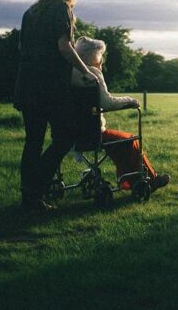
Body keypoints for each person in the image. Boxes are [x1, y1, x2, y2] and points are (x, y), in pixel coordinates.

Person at [14, 0, 98, 213]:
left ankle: (29, 198)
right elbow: (64, 46)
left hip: (27, 85)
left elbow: (22, 48)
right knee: (64, 139)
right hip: (50, 87)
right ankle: (35, 188)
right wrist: (86, 71)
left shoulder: (32, 11)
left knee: (33, 142)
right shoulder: (62, 8)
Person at [71, 36, 170, 193]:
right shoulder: (92, 73)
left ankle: (132, 179)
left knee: (120, 141)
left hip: (71, 133)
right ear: (94, 56)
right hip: (92, 133)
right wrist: (131, 101)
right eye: (101, 55)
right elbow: (107, 103)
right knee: (130, 140)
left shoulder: (71, 73)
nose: (102, 59)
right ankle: (148, 179)